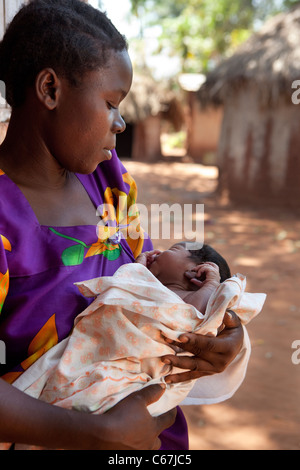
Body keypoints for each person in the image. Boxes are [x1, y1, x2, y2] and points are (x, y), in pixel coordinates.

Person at [0, 0, 245, 450]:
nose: (122, 122)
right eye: (111, 103)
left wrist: (222, 329)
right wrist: (93, 431)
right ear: (50, 89)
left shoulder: (110, 184)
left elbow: (155, 291)